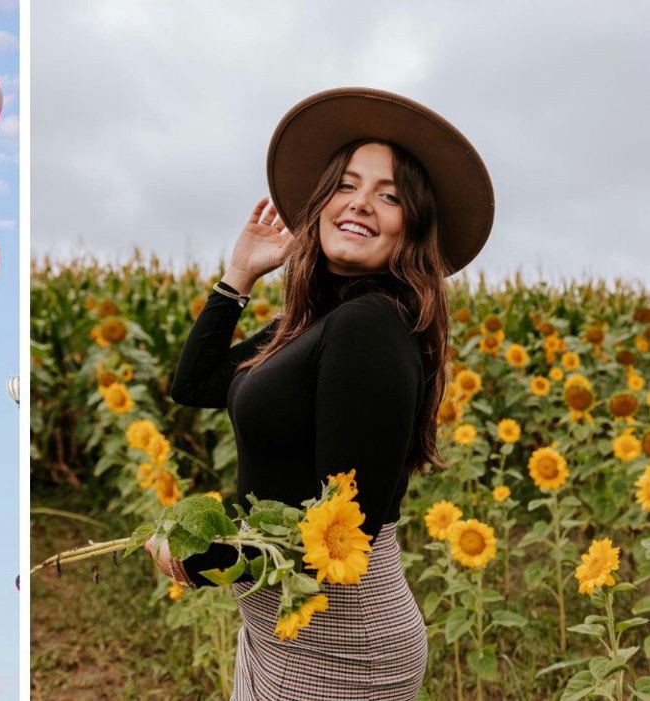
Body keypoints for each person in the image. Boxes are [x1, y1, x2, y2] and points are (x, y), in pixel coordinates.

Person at [147, 87, 495, 701]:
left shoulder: (370, 325)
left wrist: (200, 560)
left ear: (412, 227)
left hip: (343, 637)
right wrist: (240, 275)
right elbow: (195, 384)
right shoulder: (310, 322)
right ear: (321, 202)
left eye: (389, 196)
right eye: (346, 185)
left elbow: (340, 532)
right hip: (281, 620)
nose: (360, 203)